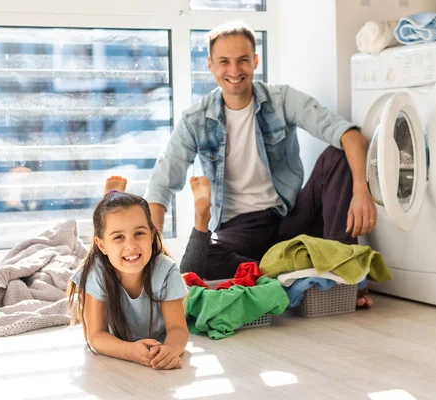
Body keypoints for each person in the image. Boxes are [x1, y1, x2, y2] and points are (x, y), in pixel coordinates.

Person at [144, 21, 377, 307]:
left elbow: (349, 135)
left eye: (242, 60)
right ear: (210, 65)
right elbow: (162, 183)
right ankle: (295, 277)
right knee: (201, 264)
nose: (234, 70)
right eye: (224, 62)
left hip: (290, 218)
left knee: (336, 155)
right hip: (238, 232)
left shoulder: (281, 100)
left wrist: (361, 191)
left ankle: (342, 276)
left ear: (254, 61)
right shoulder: (196, 120)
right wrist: (152, 250)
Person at [67, 175, 212, 369]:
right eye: (119, 237)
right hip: (117, 336)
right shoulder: (96, 272)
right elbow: (96, 336)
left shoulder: (165, 269)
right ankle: (110, 198)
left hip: (154, 334)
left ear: (152, 235)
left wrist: (170, 349)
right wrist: (130, 351)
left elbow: (177, 329)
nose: (131, 245)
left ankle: (112, 202)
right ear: (101, 245)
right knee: (110, 232)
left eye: (139, 233)